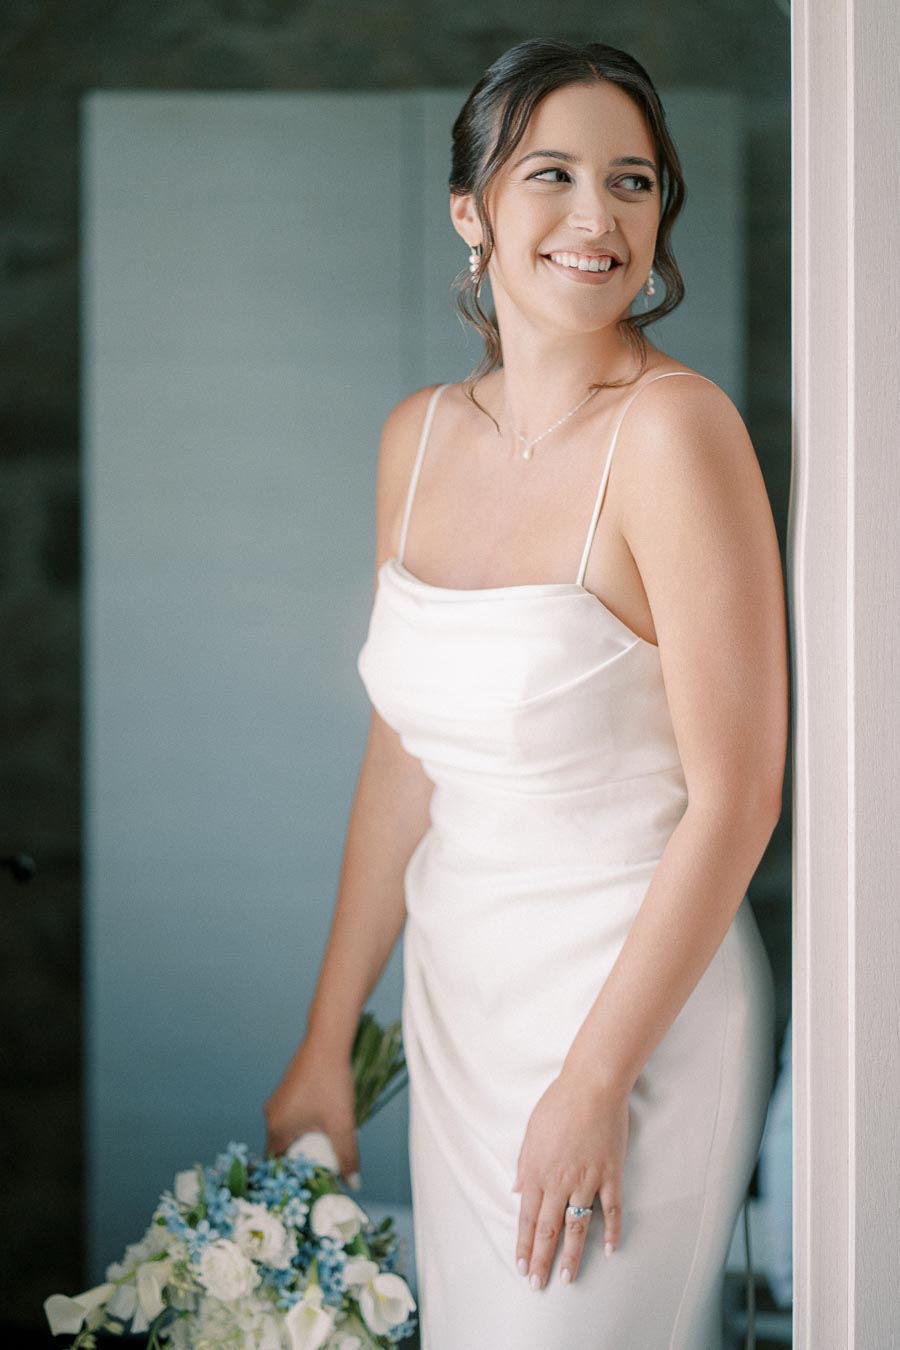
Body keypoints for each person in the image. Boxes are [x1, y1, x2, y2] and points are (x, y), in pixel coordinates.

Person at [264, 37, 788, 1349]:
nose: (595, 216)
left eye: (631, 181)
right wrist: (327, 1037)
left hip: (637, 1014)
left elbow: (738, 798)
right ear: (471, 210)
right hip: (460, 1005)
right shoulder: (419, 436)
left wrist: (596, 1077)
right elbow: (405, 760)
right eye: (551, 174)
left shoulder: (678, 432)